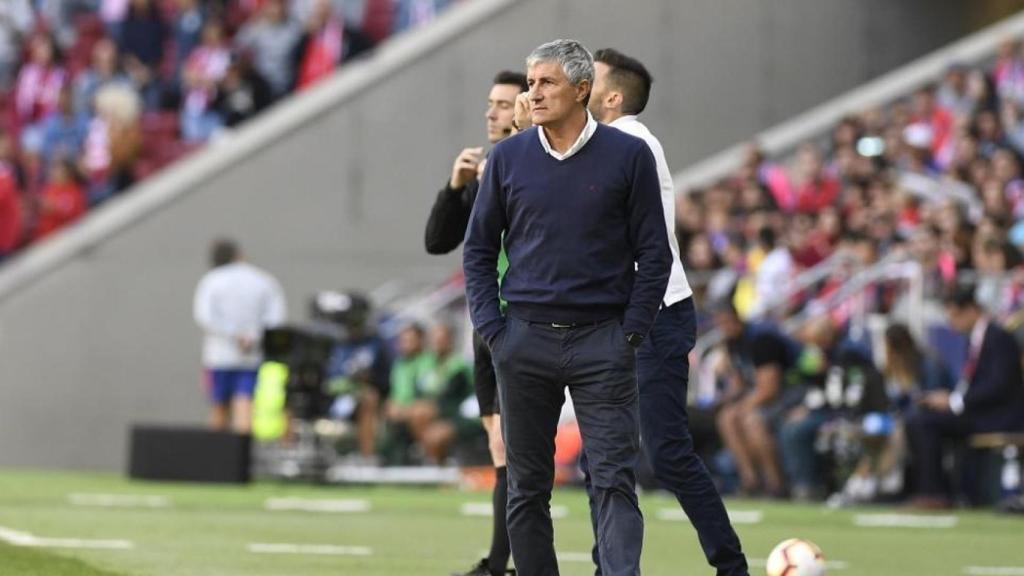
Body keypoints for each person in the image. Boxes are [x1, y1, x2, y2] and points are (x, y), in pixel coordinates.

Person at [464, 39, 671, 576]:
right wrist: (495, 331)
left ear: (583, 90)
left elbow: (655, 251)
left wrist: (631, 331)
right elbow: (479, 250)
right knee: (527, 488)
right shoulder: (508, 157)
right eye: (530, 84)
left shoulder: (629, 155)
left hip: (604, 339)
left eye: (546, 82)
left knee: (612, 480)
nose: (532, 95)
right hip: (523, 340)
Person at [576, 47, 748, 575]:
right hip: (628, 315)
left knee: (667, 452)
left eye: (592, 79)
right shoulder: (617, 143)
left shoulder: (626, 142)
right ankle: (611, 566)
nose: (580, 85)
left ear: (613, 97)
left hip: (652, 315)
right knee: (601, 455)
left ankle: (730, 564)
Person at [423, 68, 526, 576]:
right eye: (490, 103)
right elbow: (438, 242)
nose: (492, 112)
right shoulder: (483, 169)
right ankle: (500, 561)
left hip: (524, 325)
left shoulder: (536, 166)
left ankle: (507, 562)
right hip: (486, 325)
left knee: (519, 451)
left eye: (504, 104)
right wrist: (455, 187)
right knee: (499, 446)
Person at [906, 283, 1024, 508]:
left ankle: (934, 493)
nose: (952, 323)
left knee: (922, 422)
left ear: (970, 310)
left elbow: (999, 386)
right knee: (919, 414)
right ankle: (935, 490)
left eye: (955, 315)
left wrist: (954, 401)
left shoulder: (999, 337)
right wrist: (951, 397)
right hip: (980, 411)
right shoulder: (977, 338)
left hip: (998, 416)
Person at [193, 239, 287, 433]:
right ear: (239, 254)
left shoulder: (211, 280)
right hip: (250, 356)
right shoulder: (264, 280)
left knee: (219, 407)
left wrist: (234, 335)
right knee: (245, 404)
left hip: (219, 357)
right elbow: (275, 318)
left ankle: (216, 457)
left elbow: (204, 317)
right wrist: (252, 337)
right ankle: (240, 459)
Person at [713, 303, 802, 497]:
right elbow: (740, 383)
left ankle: (775, 483)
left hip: (793, 393)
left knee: (752, 421)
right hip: (763, 395)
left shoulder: (762, 340)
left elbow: (770, 388)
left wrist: (744, 406)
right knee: (726, 418)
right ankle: (749, 480)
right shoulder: (732, 343)